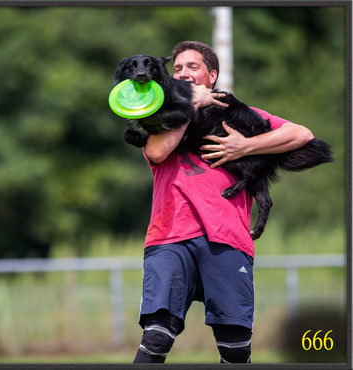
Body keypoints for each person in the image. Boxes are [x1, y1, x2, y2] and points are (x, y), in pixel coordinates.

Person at [133, 41, 314, 364]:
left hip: (227, 237)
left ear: (212, 75)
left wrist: (245, 146)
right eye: (177, 69)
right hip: (170, 236)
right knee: (157, 336)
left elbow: (301, 135)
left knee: (235, 348)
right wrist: (190, 104)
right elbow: (158, 152)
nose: (183, 73)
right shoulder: (158, 117)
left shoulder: (242, 116)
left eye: (193, 67)